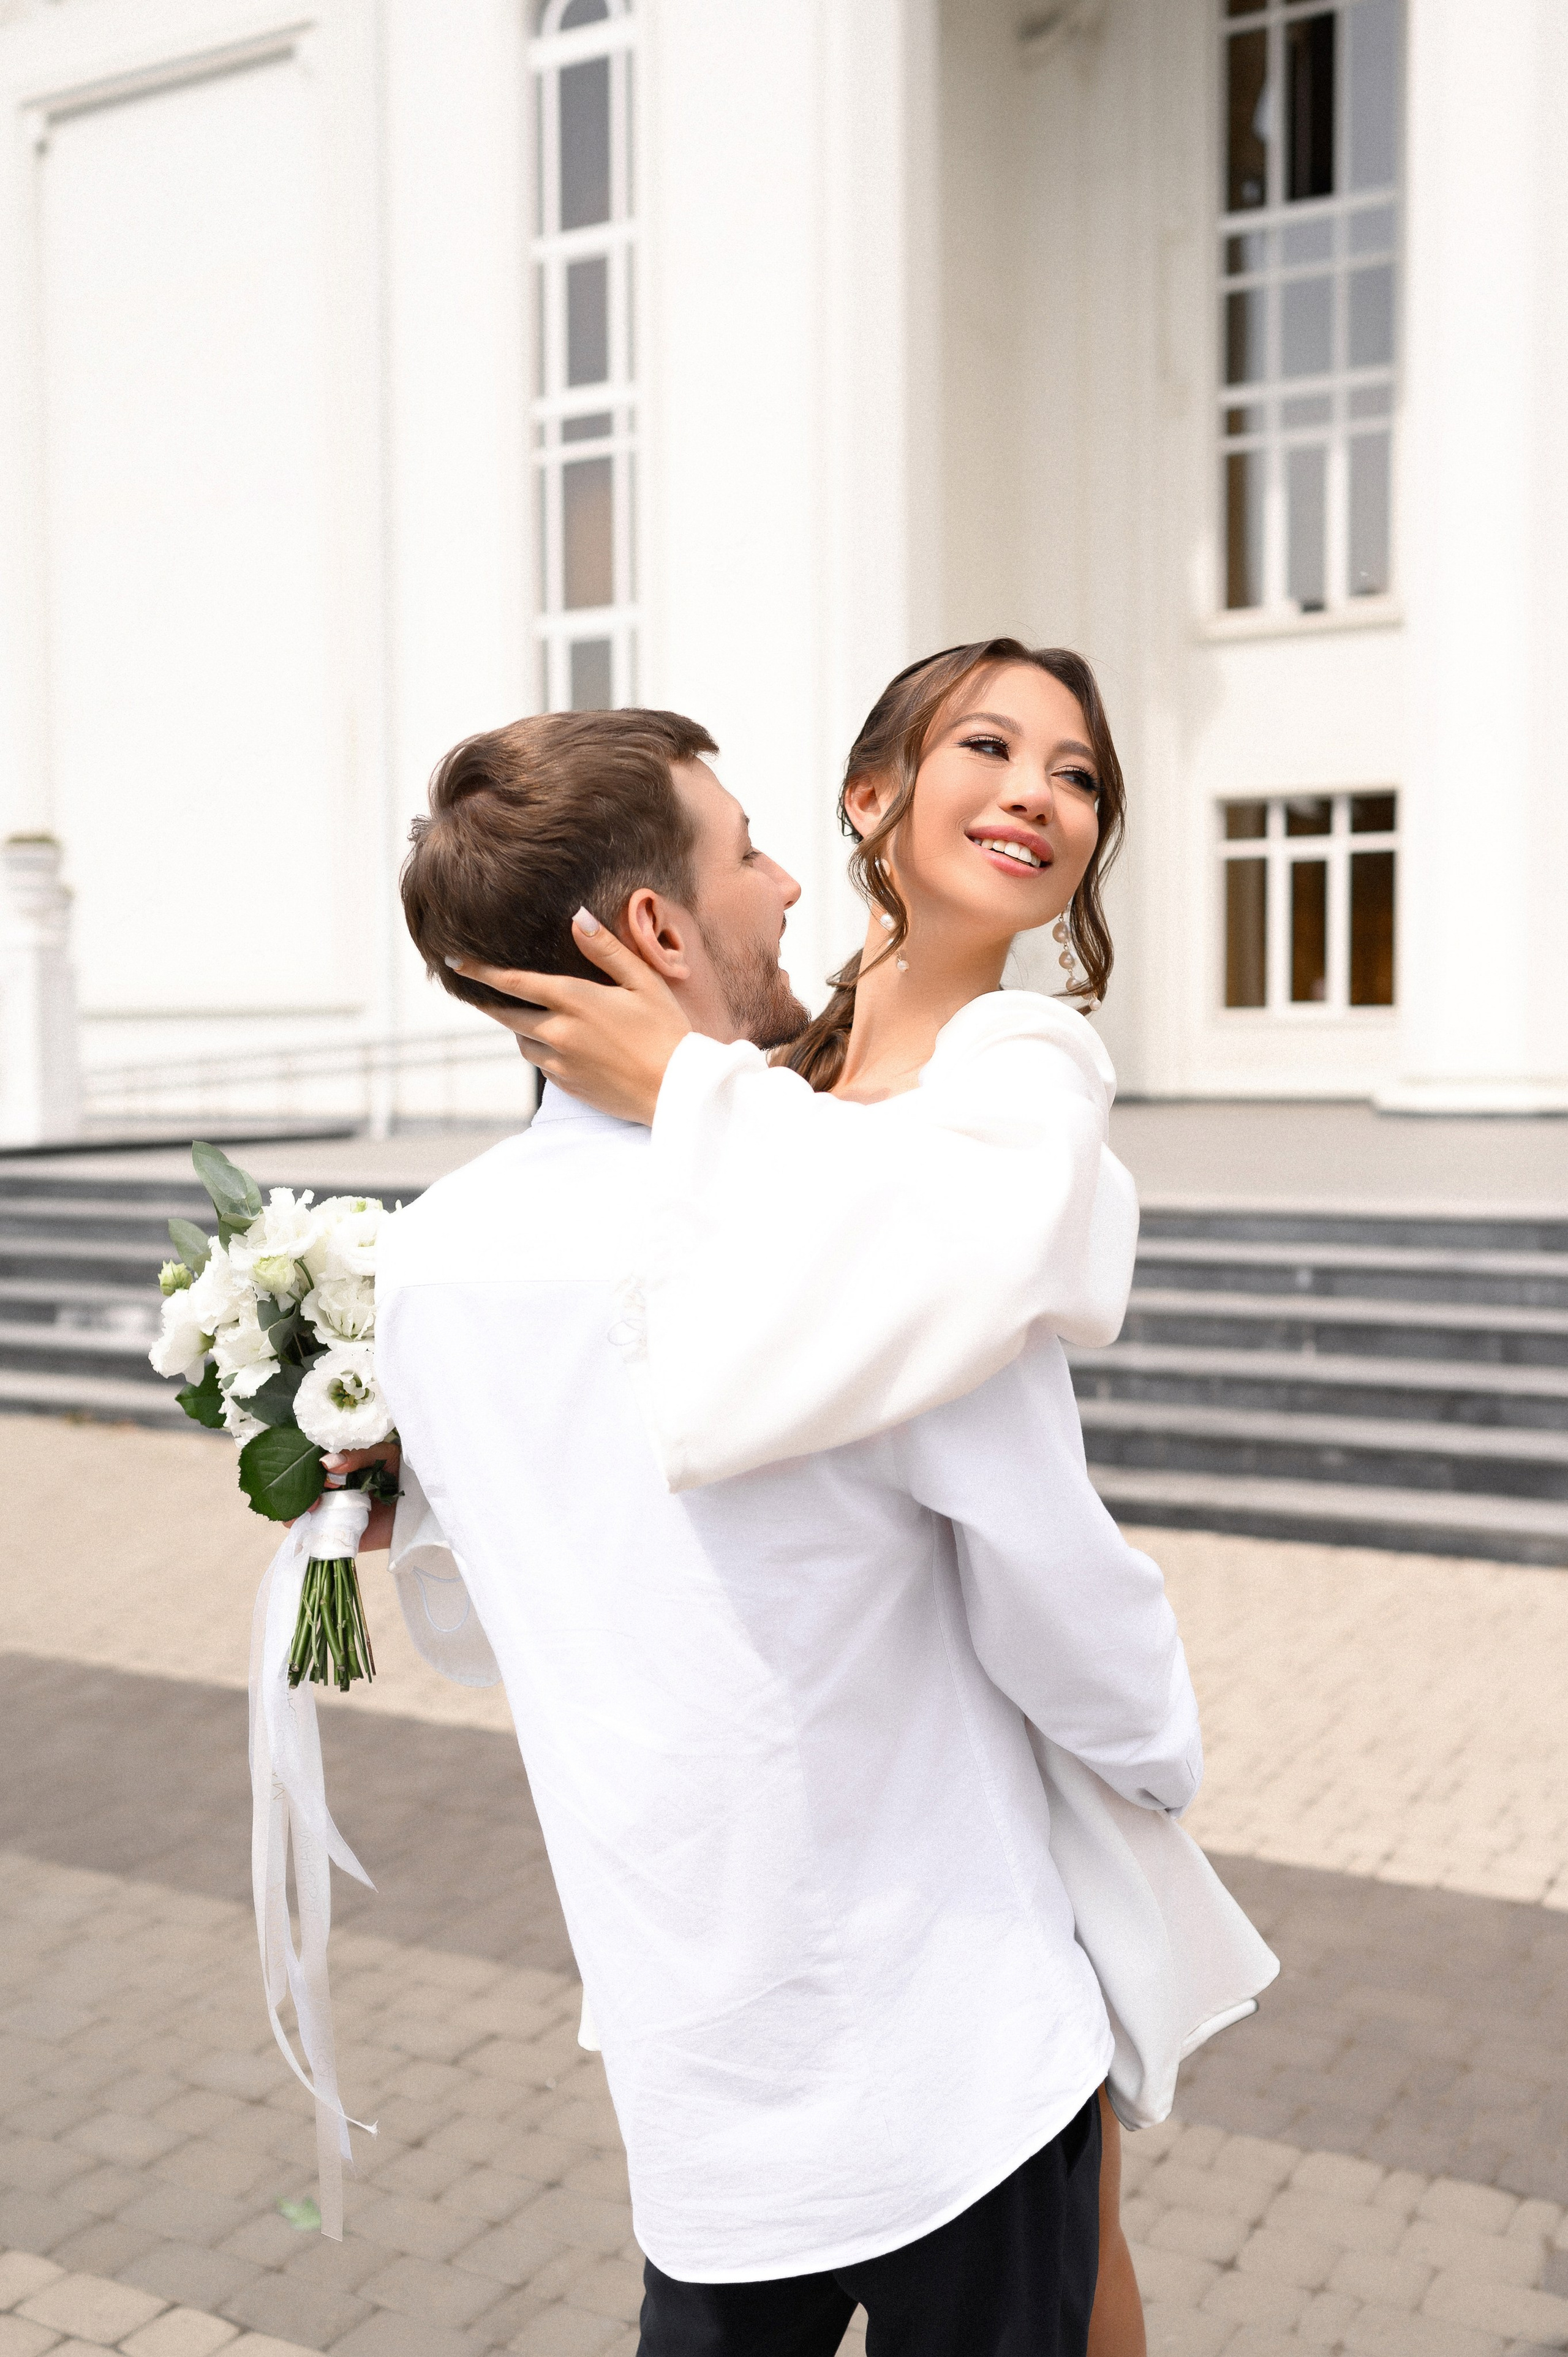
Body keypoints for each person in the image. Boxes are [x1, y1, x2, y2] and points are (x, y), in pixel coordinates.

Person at [370, 682, 1203, 2354]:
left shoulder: (428, 1264)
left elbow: (469, 1618)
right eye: (751, 854)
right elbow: (1056, 1588)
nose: (793, 888)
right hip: (945, 2037)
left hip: (700, 2054)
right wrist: (1155, 1759)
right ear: (663, 923)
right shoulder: (842, 1226)